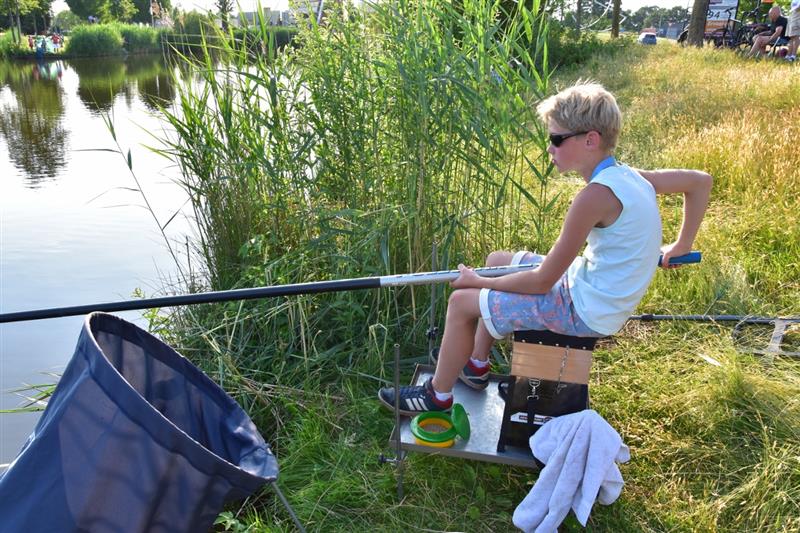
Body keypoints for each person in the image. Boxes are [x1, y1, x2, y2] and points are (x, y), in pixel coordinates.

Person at [378, 82, 713, 415]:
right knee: (498, 260)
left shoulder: (593, 197)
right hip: (592, 287)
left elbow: (541, 282)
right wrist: (682, 244)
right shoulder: (630, 176)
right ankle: (476, 365)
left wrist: (478, 281)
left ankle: (437, 396)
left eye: (556, 139)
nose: (549, 148)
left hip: (585, 310)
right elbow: (699, 182)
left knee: (461, 302)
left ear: (590, 140)